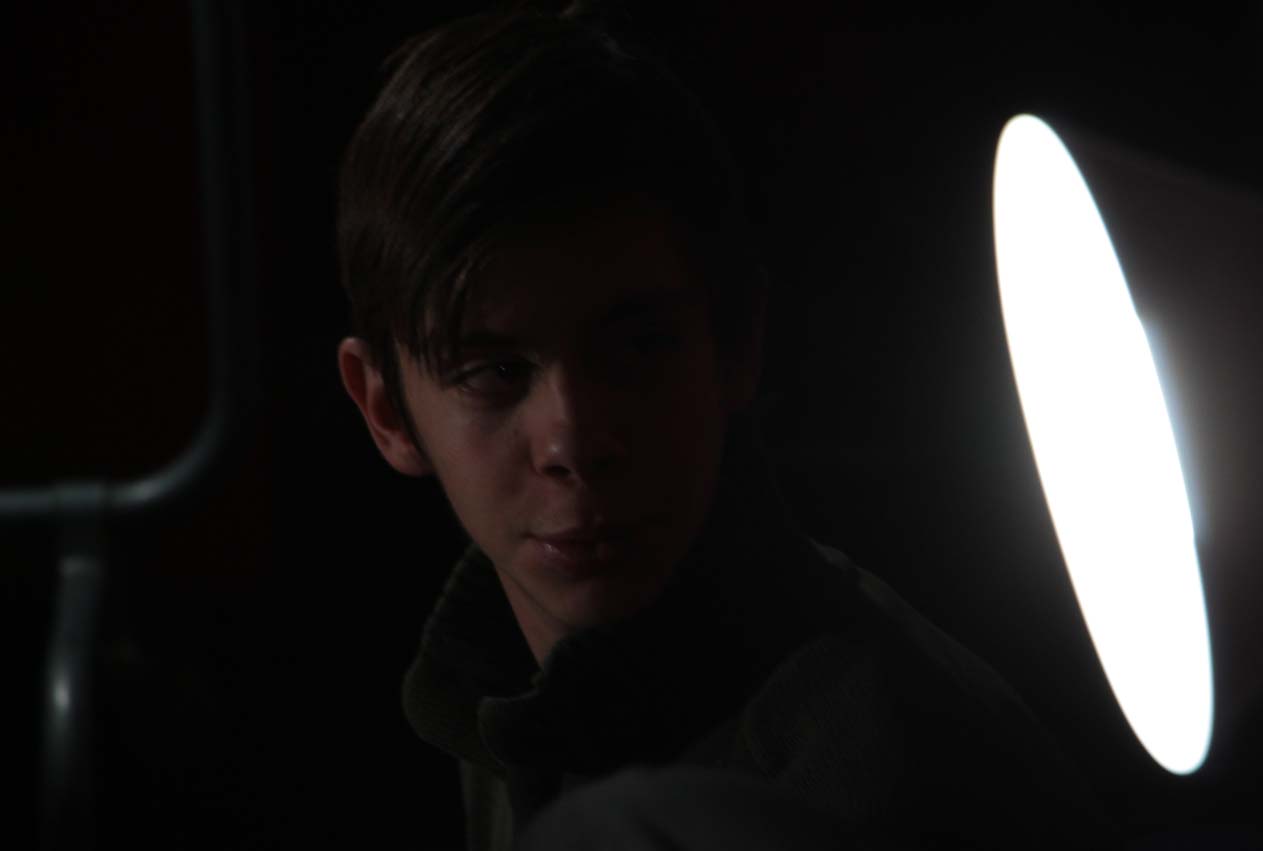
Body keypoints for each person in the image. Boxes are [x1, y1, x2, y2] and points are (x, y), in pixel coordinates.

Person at [335, 4, 1109, 849]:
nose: (574, 440)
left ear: (737, 343)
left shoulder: (870, 770)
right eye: (495, 373)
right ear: (386, 410)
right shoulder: (505, 692)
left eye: (638, 347)